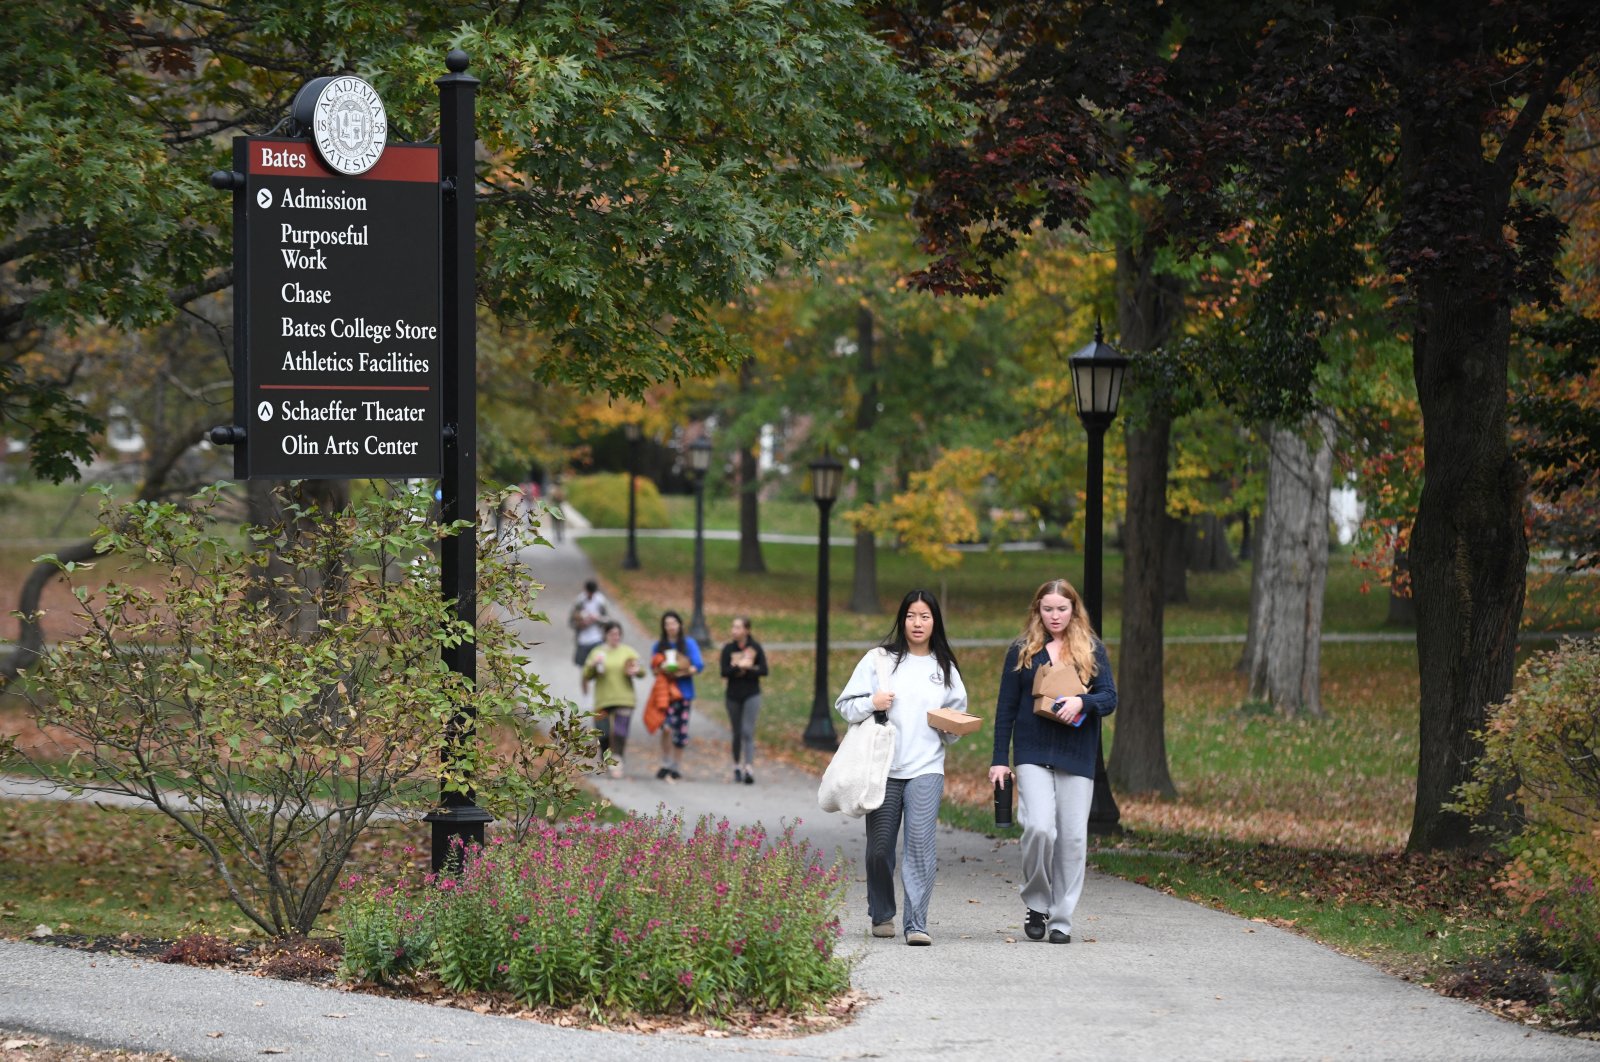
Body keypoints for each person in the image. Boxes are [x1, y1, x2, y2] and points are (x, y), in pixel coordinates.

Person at [988, 578, 1118, 945]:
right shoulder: (1022, 651)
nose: (1055, 616)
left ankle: (1061, 918)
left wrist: (1083, 702)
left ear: (1074, 610)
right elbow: (1005, 709)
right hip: (1032, 752)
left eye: (1062, 608)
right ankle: (1036, 903)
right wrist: (1000, 759)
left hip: (1077, 755)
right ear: (1037, 611)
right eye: (1048, 609)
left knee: (1073, 839)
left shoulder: (1092, 650)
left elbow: (1109, 698)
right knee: (1040, 828)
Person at [835, 589, 968, 946]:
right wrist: (872, 702)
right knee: (879, 849)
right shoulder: (879, 660)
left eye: (925, 616)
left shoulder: (945, 669)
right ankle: (881, 912)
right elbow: (845, 706)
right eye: (911, 615)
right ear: (902, 619)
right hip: (883, 769)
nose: (918, 623)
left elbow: (956, 722)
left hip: (926, 768)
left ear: (934, 621)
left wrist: (949, 727)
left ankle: (916, 923)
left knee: (920, 845)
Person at [581, 621, 642, 778]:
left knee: (620, 731)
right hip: (603, 699)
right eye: (612, 634)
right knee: (603, 733)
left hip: (625, 698)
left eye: (618, 634)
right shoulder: (597, 652)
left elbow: (641, 671)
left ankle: (618, 760)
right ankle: (605, 759)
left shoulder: (628, 652)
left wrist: (636, 670)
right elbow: (587, 674)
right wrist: (593, 665)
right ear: (605, 635)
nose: (615, 637)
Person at [649, 610, 704, 781]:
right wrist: (663, 668)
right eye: (667, 624)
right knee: (665, 727)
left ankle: (676, 765)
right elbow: (654, 668)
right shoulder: (659, 646)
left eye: (673, 623)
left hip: (684, 693)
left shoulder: (688, 644)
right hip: (665, 693)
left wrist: (685, 670)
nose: (670, 627)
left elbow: (699, 665)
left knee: (681, 731)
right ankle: (665, 761)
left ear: (679, 625)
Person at [719, 616, 769, 784]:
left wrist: (750, 668)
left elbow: (764, 670)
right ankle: (736, 766)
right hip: (733, 695)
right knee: (737, 732)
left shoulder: (755, 648)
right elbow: (724, 672)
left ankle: (748, 767)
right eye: (733, 627)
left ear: (747, 630)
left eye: (738, 627)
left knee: (748, 731)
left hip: (751, 694)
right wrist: (737, 667)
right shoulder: (728, 649)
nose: (734, 630)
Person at [570, 579, 609, 669]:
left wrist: (597, 619)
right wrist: (581, 623)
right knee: (583, 667)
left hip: (597, 638)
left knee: (598, 665)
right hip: (582, 639)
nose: (590, 595)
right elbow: (571, 621)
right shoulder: (580, 601)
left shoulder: (600, 601)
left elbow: (608, 620)